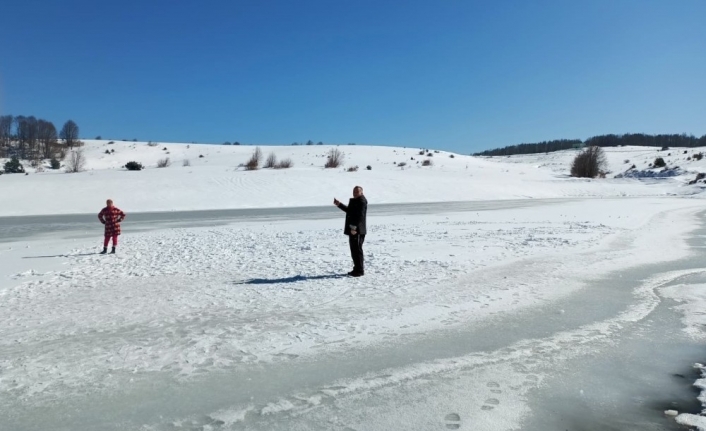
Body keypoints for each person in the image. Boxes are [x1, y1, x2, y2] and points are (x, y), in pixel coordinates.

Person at [334, 186, 368, 277]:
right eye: (354, 192)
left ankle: (360, 270)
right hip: (353, 230)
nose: (355, 193)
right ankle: (356, 268)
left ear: (361, 192)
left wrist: (354, 228)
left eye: (357, 192)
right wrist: (339, 204)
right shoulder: (356, 201)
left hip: (357, 231)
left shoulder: (362, 201)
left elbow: (360, 216)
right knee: (354, 250)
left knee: (357, 250)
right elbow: (349, 211)